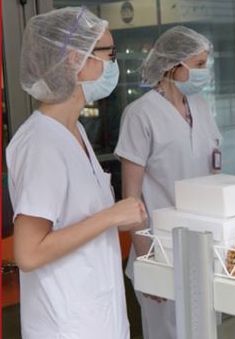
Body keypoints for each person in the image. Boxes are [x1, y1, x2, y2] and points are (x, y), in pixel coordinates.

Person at [7, 7, 147, 339]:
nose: (114, 63)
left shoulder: (74, 131)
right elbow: (28, 253)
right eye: (108, 53)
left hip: (96, 315)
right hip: (65, 325)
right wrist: (111, 216)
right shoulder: (41, 142)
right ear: (76, 58)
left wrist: (115, 216)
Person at [115, 26, 222, 339]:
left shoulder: (201, 106)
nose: (206, 72)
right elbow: (131, 198)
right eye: (199, 65)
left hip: (202, 246)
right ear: (173, 65)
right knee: (168, 332)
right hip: (160, 248)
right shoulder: (140, 114)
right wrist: (150, 264)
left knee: (205, 330)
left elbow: (213, 172)